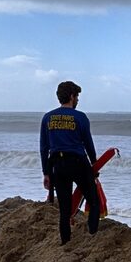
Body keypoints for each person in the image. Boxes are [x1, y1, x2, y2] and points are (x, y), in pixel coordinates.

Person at [39, 80, 102, 245]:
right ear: (72, 96)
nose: (78, 100)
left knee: (64, 209)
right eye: (77, 96)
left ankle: (65, 242)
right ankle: (93, 235)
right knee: (93, 200)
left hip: (57, 165)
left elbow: (44, 148)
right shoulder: (80, 117)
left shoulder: (47, 118)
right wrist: (94, 166)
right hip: (78, 162)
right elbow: (88, 144)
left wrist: (46, 172)